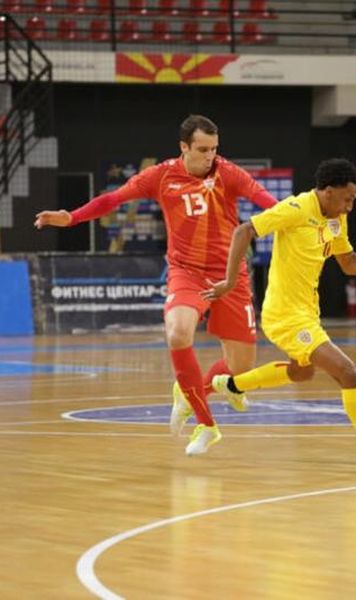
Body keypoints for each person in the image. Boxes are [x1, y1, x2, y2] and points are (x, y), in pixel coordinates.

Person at [34, 114, 277, 455]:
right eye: (203, 150)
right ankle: (207, 426)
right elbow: (113, 199)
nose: (210, 157)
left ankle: (189, 393)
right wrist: (72, 217)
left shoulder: (228, 172)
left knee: (240, 366)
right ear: (184, 147)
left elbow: (268, 201)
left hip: (229, 275)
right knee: (178, 332)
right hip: (187, 272)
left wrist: (294, 216)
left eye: (214, 149)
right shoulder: (161, 176)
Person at [202, 158, 356, 430]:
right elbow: (244, 230)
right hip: (285, 315)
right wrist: (229, 281)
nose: (349, 207)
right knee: (348, 373)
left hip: (308, 311)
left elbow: (348, 264)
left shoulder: (337, 219)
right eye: (347, 199)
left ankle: (232, 385)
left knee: (301, 372)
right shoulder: (296, 208)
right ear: (328, 191)